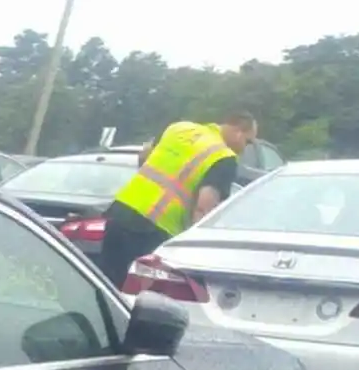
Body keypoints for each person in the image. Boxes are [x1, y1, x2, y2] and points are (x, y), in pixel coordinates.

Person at [97, 114, 256, 288]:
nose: (244, 149)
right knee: (142, 297)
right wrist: (197, 249)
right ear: (238, 132)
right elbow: (204, 207)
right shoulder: (224, 157)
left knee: (108, 285)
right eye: (247, 142)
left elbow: (144, 155)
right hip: (156, 229)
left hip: (122, 210)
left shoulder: (180, 128)